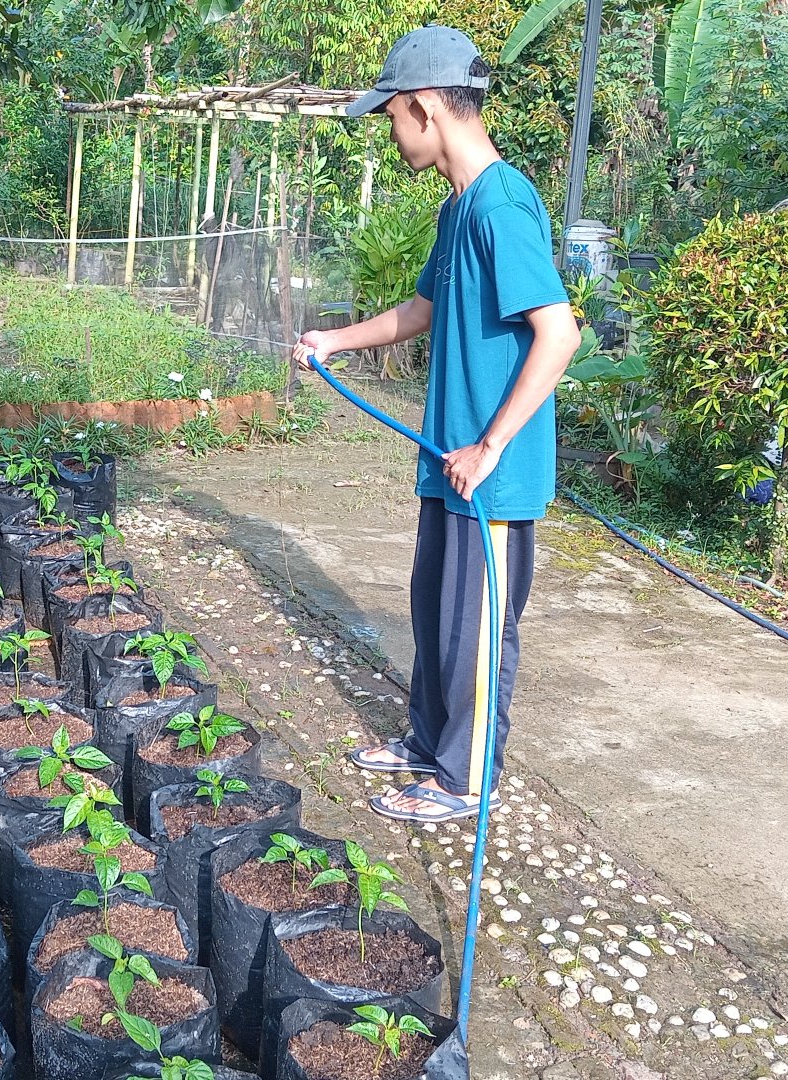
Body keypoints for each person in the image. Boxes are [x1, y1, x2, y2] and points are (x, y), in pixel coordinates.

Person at [293, 25, 581, 823]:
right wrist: (334, 341)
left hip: (491, 471)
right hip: (449, 460)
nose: (390, 133)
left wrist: (492, 446)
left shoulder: (502, 206)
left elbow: (560, 334)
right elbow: (423, 308)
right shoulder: (460, 210)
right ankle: (427, 743)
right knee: (438, 616)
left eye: (391, 117)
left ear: (424, 107)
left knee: (478, 632)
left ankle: (465, 778)